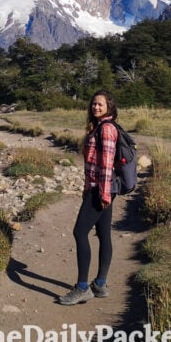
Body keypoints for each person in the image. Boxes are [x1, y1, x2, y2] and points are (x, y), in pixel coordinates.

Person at [57, 90, 119, 305]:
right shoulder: (98, 127)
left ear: (109, 107)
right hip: (100, 189)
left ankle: (83, 287)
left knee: (79, 232)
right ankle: (100, 284)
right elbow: (92, 165)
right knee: (103, 234)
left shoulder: (107, 130)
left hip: (101, 190)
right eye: (93, 104)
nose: (96, 107)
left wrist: (101, 194)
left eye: (100, 104)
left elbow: (106, 165)